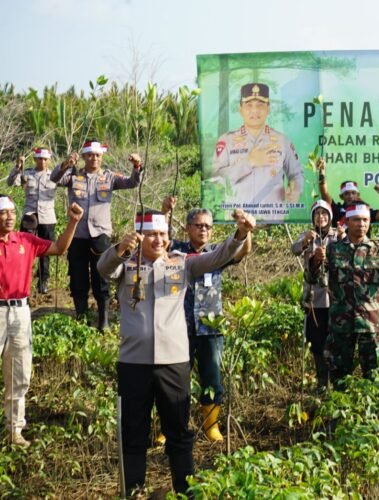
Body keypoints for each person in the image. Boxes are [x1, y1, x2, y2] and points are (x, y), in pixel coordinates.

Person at [97, 209, 255, 495]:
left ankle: (185, 491)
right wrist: (120, 248)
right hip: (133, 363)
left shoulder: (182, 263)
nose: (158, 240)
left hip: (174, 363)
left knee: (179, 432)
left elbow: (218, 257)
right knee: (133, 432)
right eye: (152, 234)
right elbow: (104, 269)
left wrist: (240, 234)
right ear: (139, 236)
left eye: (163, 234)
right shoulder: (126, 264)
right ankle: (133, 491)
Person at [161, 197, 253, 443]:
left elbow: (242, 250)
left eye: (208, 226)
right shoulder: (177, 250)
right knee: (175, 377)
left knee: (212, 377)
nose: (204, 230)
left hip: (210, 326)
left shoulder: (217, 252)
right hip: (180, 326)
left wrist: (245, 230)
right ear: (188, 227)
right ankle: (167, 427)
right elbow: (159, 242)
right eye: (199, 225)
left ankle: (211, 425)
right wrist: (164, 211)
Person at [0, 194, 83, 446]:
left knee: (19, 372)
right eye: (4, 212)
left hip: (21, 311)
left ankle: (14, 431)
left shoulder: (25, 240)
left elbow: (59, 248)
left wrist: (73, 222)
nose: (10, 216)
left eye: (12, 212)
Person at [306, 203, 379, 386]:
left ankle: (370, 414)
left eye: (365, 220)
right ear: (347, 221)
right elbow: (312, 278)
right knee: (339, 378)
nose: (361, 224)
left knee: (375, 378)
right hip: (341, 325)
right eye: (356, 220)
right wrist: (315, 261)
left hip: (371, 326)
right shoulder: (333, 249)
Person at [50, 140, 142, 331]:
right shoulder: (74, 176)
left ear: (102, 157)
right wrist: (66, 164)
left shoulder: (109, 177)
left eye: (98, 155)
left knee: (102, 276)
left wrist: (136, 166)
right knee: (77, 275)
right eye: (90, 155)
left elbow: (132, 182)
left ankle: (104, 320)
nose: (94, 158)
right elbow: (55, 179)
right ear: (84, 157)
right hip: (77, 235)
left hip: (100, 234)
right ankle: (81, 317)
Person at [210, 83, 304, 217]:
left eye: (260, 105)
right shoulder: (227, 141)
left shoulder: (282, 140)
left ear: (268, 109)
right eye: (249, 105)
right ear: (240, 109)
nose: (254, 110)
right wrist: (248, 162)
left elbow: (296, 174)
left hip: (273, 222)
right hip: (237, 222)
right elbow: (216, 179)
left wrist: (295, 188)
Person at [291, 200, 343, 391]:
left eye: (324, 214)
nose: (321, 217)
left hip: (336, 299)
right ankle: (322, 383)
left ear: (330, 217)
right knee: (317, 342)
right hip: (314, 300)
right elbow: (295, 250)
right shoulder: (308, 235)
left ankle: (337, 384)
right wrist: (306, 241)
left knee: (336, 342)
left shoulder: (337, 235)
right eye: (317, 214)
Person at [6, 148, 60, 293]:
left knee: (46, 249)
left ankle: (44, 281)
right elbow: (11, 182)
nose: (42, 162)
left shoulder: (54, 175)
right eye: (39, 159)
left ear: (49, 160)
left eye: (45, 159)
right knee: (24, 248)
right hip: (30, 215)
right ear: (35, 160)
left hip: (47, 216)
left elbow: (67, 181)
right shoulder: (27, 173)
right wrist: (18, 167)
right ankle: (23, 278)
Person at [316, 157, 379, 230]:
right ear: (341, 197)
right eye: (347, 193)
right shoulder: (337, 209)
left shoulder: (365, 211)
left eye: (353, 193)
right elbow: (324, 192)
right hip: (340, 243)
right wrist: (322, 170)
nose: (350, 196)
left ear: (358, 195)